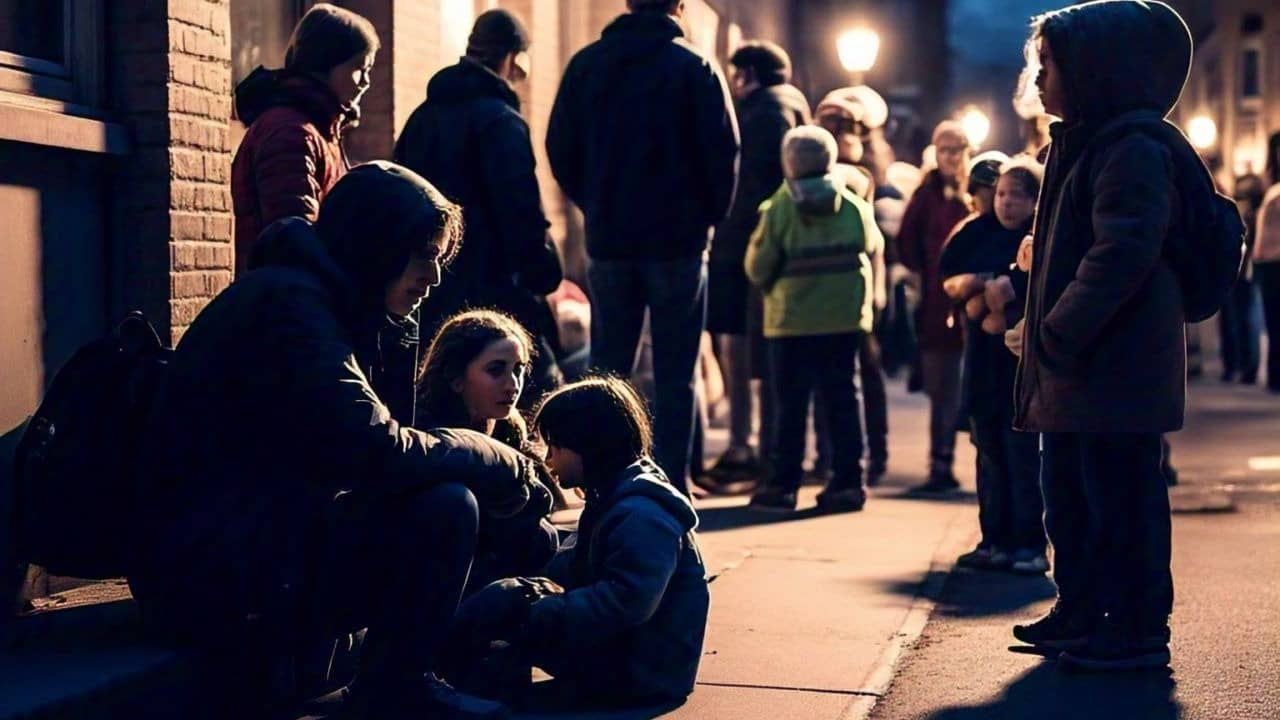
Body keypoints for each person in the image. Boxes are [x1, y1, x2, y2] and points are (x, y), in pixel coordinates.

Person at [130, 162, 534, 719]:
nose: (434, 277)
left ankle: (407, 674)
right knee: (447, 506)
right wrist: (492, 455)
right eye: (423, 255)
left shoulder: (336, 305)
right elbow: (378, 452)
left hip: (252, 544)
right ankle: (396, 688)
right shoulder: (292, 308)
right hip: (207, 572)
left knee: (445, 496)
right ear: (377, 243)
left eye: (439, 259)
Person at [1010, 0, 1218, 671]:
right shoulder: (1086, 142)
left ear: (1095, 69)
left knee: (1121, 501)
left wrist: (1058, 330)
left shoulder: (1131, 149)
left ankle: (1133, 630)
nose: (1039, 79)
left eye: (1049, 65)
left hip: (1113, 365)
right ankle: (1081, 609)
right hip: (1080, 366)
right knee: (1071, 495)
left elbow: (1121, 253)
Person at [546, 0, 740, 494]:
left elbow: (560, 147)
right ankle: (671, 484)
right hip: (678, 241)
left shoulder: (588, 65)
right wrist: (705, 220)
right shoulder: (694, 66)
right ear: (678, 6)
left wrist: (594, 204)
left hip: (611, 238)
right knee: (677, 372)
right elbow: (723, 153)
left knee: (608, 370)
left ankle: (602, 480)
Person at [446, 376, 710, 708]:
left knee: (507, 612)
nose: (548, 459)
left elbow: (627, 601)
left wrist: (538, 611)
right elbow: (575, 566)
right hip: (628, 657)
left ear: (588, 444)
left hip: (644, 671)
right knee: (503, 603)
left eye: (555, 447)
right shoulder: (611, 498)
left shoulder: (643, 514)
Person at [395, 9, 564, 407]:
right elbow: (520, 215)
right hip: (495, 289)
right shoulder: (501, 122)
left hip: (432, 287)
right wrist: (542, 271)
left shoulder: (422, 118)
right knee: (532, 395)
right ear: (509, 58)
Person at [745, 126, 885, 512]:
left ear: (788, 162)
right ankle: (848, 482)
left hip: (790, 323)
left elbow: (757, 266)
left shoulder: (778, 208)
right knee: (843, 401)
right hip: (843, 321)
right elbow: (872, 245)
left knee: (790, 406)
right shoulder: (853, 205)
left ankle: (783, 485)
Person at [702, 40, 809, 489]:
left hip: (747, 248)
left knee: (746, 352)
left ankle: (750, 449)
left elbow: (744, 183)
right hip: (770, 248)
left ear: (747, 74)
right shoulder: (793, 108)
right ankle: (761, 448)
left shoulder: (762, 114)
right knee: (763, 354)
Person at [942, 159, 1047, 574]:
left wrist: (1000, 291)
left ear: (1034, 200)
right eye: (1001, 193)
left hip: (1019, 369)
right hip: (983, 364)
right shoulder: (975, 232)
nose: (1006, 202)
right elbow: (950, 277)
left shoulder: (1038, 239)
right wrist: (979, 287)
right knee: (988, 455)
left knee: (1022, 457)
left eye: (1016, 195)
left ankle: (1029, 544)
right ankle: (994, 540)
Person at [416, 309, 562, 588]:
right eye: (496, 370)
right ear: (456, 378)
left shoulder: (510, 432)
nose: (513, 385)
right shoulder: (426, 439)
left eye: (518, 370)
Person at [231, 3, 378, 275]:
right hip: (284, 291)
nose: (365, 82)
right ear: (325, 63)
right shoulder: (291, 132)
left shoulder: (321, 129)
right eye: (359, 68)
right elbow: (294, 237)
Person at [813, 87, 893, 485]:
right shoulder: (848, 171)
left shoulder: (855, 175)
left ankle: (863, 453)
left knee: (856, 374)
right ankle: (842, 454)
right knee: (844, 376)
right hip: (851, 283)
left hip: (856, 284)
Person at [897, 121, 972, 491]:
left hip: (974, 303)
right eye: (945, 149)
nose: (951, 157)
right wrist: (924, 277)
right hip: (936, 305)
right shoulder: (926, 194)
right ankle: (940, 462)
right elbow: (907, 241)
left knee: (968, 388)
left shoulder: (975, 190)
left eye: (957, 150)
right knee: (941, 388)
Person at [1220, 173, 1265, 384]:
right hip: (1240, 273)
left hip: (1238, 273)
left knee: (1240, 321)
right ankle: (1241, 366)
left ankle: (1240, 367)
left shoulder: (1243, 213)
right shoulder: (1249, 213)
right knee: (1240, 321)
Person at [1255, 131, 1280, 393]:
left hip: (1274, 261)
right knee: (1272, 320)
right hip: (1268, 262)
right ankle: (1274, 374)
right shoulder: (1272, 188)